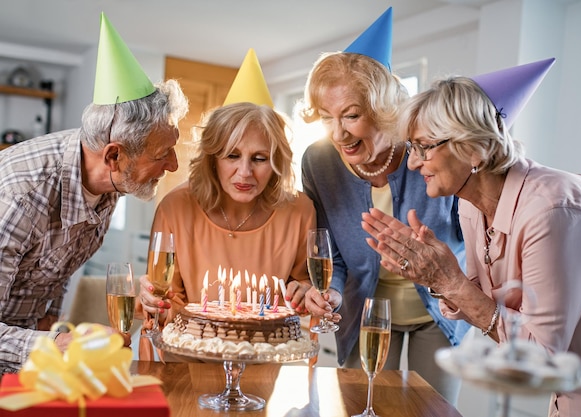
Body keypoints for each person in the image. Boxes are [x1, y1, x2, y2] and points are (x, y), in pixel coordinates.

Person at [361, 57, 581, 417]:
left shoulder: (551, 212)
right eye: (412, 148)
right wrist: (434, 277)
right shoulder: (471, 202)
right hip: (572, 392)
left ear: (473, 148)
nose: (412, 163)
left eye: (424, 146)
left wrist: (448, 281)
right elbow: (484, 301)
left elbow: (539, 356)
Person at [0, 13, 188, 374]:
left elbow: (55, 269)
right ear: (114, 155)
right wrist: (59, 344)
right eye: (161, 154)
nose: (174, 166)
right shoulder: (20, 197)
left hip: (24, 363)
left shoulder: (109, 182)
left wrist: (50, 327)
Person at [300, 8, 468, 403]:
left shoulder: (427, 150)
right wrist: (333, 296)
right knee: (365, 406)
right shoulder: (319, 162)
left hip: (438, 313)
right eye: (327, 118)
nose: (338, 132)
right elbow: (331, 256)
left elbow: (472, 236)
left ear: (383, 108)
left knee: (433, 410)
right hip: (366, 311)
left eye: (352, 116)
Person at [138, 49, 315, 346]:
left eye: (259, 158)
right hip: (188, 359)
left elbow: (304, 289)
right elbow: (165, 301)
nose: (244, 172)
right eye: (232, 155)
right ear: (212, 158)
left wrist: (305, 292)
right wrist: (154, 302)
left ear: (276, 162)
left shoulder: (299, 211)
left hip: (267, 360)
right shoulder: (176, 208)